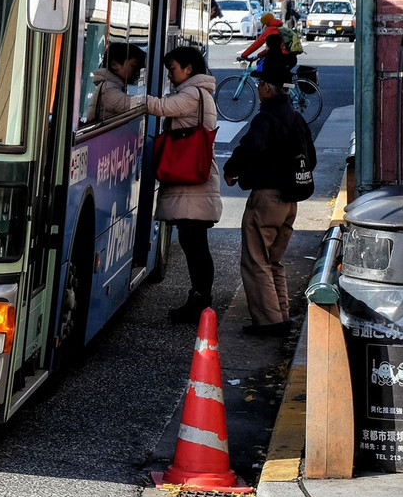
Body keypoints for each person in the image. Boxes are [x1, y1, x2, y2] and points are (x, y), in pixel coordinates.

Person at [222, 60, 317, 336]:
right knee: (274, 259)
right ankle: (281, 315)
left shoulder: (266, 118)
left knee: (256, 259)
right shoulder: (296, 118)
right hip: (291, 200)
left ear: (266, 87)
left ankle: (269, 322)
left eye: (260, 84)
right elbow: (310, 158)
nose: (259, 88)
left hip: (267, 197)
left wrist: (232, 171)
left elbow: (249, 148)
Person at [142, 45, 221, 322]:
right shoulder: (197, 92)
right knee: (194, 243)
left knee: (195, 244)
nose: (170, 75)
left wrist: (126, 101)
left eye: (172, 69)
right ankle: (200, 298)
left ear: (188, 69)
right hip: (194, 182)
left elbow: (160, 107)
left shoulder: (191, 94)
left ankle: (201, 301)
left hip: (194, 184)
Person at [88, 42, 146, 122]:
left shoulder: (113, 86)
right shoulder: (108, 88)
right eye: (134, 66)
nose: (138, 71)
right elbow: (127, 105)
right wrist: (156, 104)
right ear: (114, 65)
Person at [239, 12, 297, 78]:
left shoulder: (270, 30)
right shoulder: (279, 28)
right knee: (276, 79)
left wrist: (244, 55)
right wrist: (258, 55)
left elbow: (257, 44)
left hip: (282, 57)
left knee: (263, 70)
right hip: (291, 57)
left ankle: (266, 86)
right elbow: (271, 48)